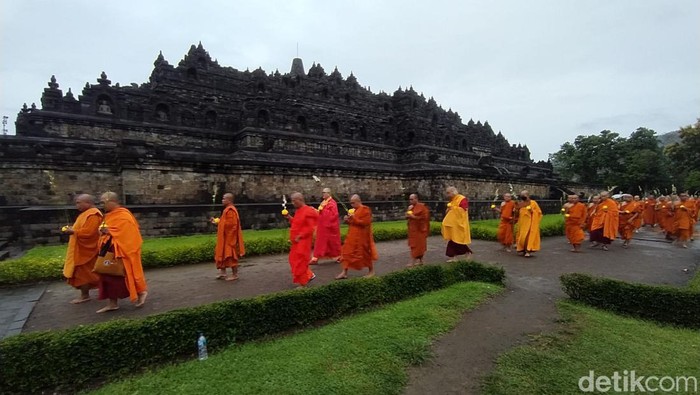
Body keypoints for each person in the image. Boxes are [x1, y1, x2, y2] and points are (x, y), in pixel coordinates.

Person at [97, 192, 148, 313]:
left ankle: (141, 292)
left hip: (120, 252)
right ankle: (112, 303)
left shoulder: (124, 215)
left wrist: (109, 231)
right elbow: (104, 230)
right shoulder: (108, 215)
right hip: (108, 250)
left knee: (124, 276)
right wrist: (103, 231)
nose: (101, 205)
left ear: (112, 201)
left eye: (103, 202)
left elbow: (129, 235)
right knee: (107, 277)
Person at [61, 194, 102, 304]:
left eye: (79, 202)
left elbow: (90, 233)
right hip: (81, 249)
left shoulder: (93, 215)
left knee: (82, 274)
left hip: (87, 251)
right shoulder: (85, 214)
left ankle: (85, 296)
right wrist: (73, 230)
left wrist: (73, 231)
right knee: (85, 273)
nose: (76, 205)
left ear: (88, 203)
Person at [336, 194, 378, 279]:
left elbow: (365, 223)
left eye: (353, 203)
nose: (352, 205)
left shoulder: (365, 210)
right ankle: (344, 272)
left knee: (365, 254)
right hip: (352, 237)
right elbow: (353, 223)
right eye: (351, 203)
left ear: (358, 201)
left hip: (362, 237)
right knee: (346, 252)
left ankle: (371, 271)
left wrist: (353, 218)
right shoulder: (355, 210)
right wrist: (347, 220)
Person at [284, 192, 319, 287]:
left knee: (300, 261)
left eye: (294, 201)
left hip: (303, 241)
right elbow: (297, 223)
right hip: (296, 241)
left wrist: (301, 235)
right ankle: (309, 275)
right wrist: (289, 218)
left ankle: (303, 283)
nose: (292, 203)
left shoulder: (308, 211)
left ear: (300, 199)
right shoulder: (299, 210)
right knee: (293, 260)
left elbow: (311, 227)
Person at [211, 193, 245, 281]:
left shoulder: (231, 210)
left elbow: (232, 225)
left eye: (223, 199)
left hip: (229, 237)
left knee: (230, 255)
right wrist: (217, 222)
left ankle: (235, 274)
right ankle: (223, 272)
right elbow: (225, 223)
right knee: (221, 253)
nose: (222, 200)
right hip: (224, 237)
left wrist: (220, 223)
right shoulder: (226, 210)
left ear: (229, 200)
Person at [441, 186, 472, 262]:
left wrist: (453, 208)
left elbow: (464, 210)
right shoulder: (452, 200)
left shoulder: (462, 198)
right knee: (452, 240)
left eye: (448, 193)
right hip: (452, 224)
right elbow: (449, 212)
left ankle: (467, 252)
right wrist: (449, 209)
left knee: (457, 240)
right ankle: (453, 257)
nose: (448, 195)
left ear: (453, 191)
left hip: (459, 224)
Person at [311, 188, 341, 264]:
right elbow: (320, 213)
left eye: (324, 192)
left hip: (330, 227)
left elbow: (333, 215)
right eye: (322, 192)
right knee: (319, 241)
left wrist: (321, 211)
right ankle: (315, 258)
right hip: (322, 226)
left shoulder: (332, 203)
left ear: (329, 194)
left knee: (332, 243)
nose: (323, 194)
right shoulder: (323, 202)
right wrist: (315, 210)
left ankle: (339, 256)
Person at [515, 190, 542, 257]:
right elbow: (517, 214)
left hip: (530, 223)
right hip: (522, 223)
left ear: (528, 195)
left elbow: (539, 213)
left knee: (528, 237)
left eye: (524, 195)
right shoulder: (521, 204)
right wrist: (516, 210)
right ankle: (523, 249)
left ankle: (528, 251)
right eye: (521, 195)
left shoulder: (533, 203)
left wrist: (532, 211)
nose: (523, 197)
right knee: (522, 237)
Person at [406, 193, 430, 267]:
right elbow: (407, 217)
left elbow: (425, 218)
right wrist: (408, 211)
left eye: (412, 199)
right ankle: (421, 261)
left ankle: (412, 263)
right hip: (413, 230)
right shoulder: (411, 207)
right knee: (416, 245)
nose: (411, 201)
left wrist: (413, 216)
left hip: (420, 230)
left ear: (416, 199)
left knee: (417, 246)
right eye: (410, 199)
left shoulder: (422, 207)